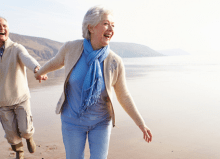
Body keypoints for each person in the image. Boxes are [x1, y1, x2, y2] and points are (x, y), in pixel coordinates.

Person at [35, 5, 152, 159]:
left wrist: (141, 123)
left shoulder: (115, 61)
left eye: (113, 25)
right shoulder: (72, 48)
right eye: (106, 23)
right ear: (90, 27)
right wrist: (39, 73)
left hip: (101, 122)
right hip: (72, 120)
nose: (111, 28)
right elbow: (54, 62)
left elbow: (124, 95)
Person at [0, 17, 47, 159]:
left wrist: (37, 69)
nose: (2, 28)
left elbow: (27, 58)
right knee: (11, 135)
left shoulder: (16, 48)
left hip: (21, 97)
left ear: (8, 28)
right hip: (2, 102)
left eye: (4, 25)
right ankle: (19, 152)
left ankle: (29, 137)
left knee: (25, 130)